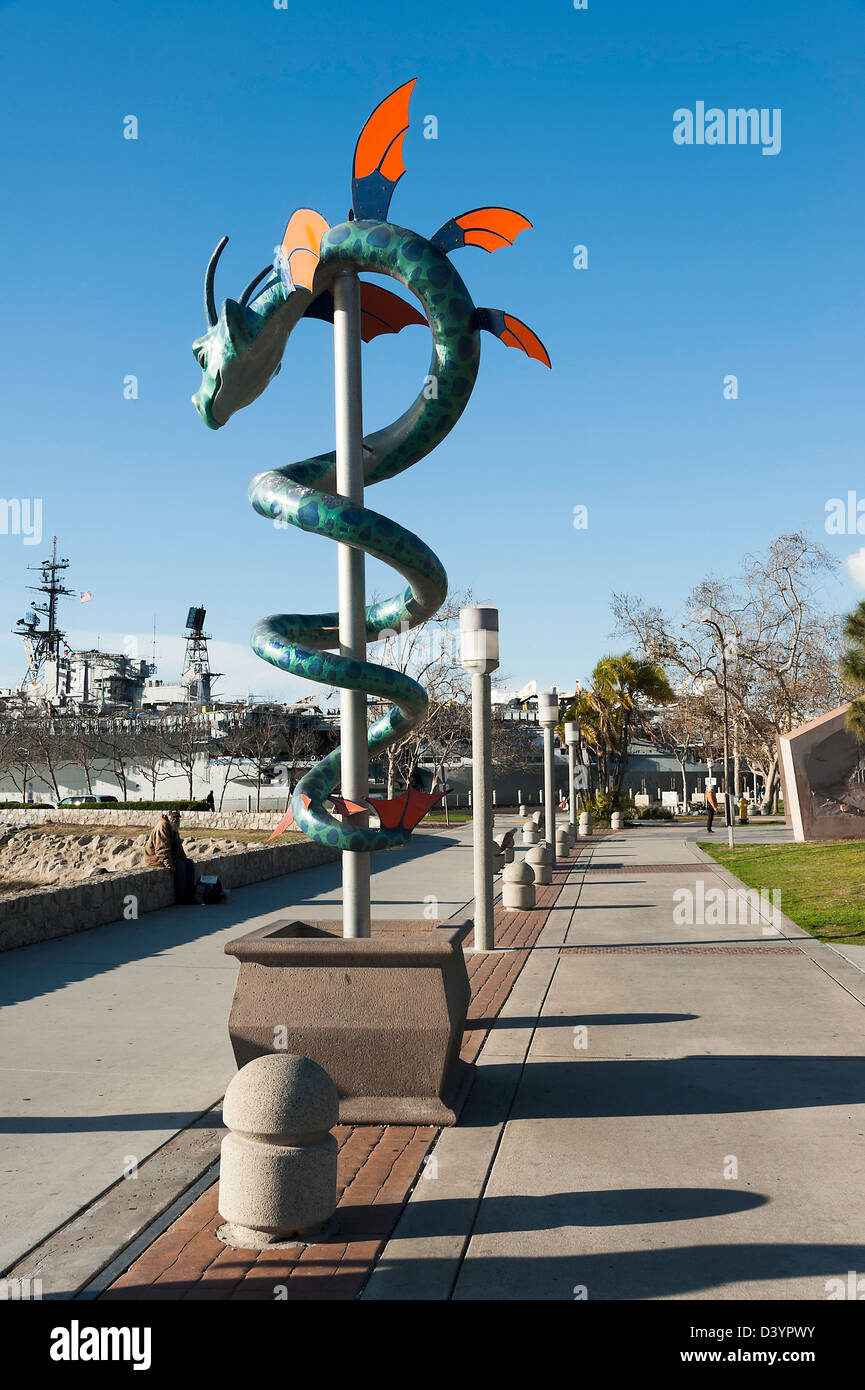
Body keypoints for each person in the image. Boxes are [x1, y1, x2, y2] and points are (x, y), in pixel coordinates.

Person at [168, 810, 197, 903]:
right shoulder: (164, 829)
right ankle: (181, 896)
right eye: (174, 817)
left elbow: (179, 847)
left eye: (177, 818)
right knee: (180, 865)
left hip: (175, 858)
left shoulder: (175, 831)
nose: (176, 819)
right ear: (169, 818)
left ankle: (190, 894)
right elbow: (161, 849)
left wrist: (184, 857)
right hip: (165, 859)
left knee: (189, 863)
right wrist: (168, 864)